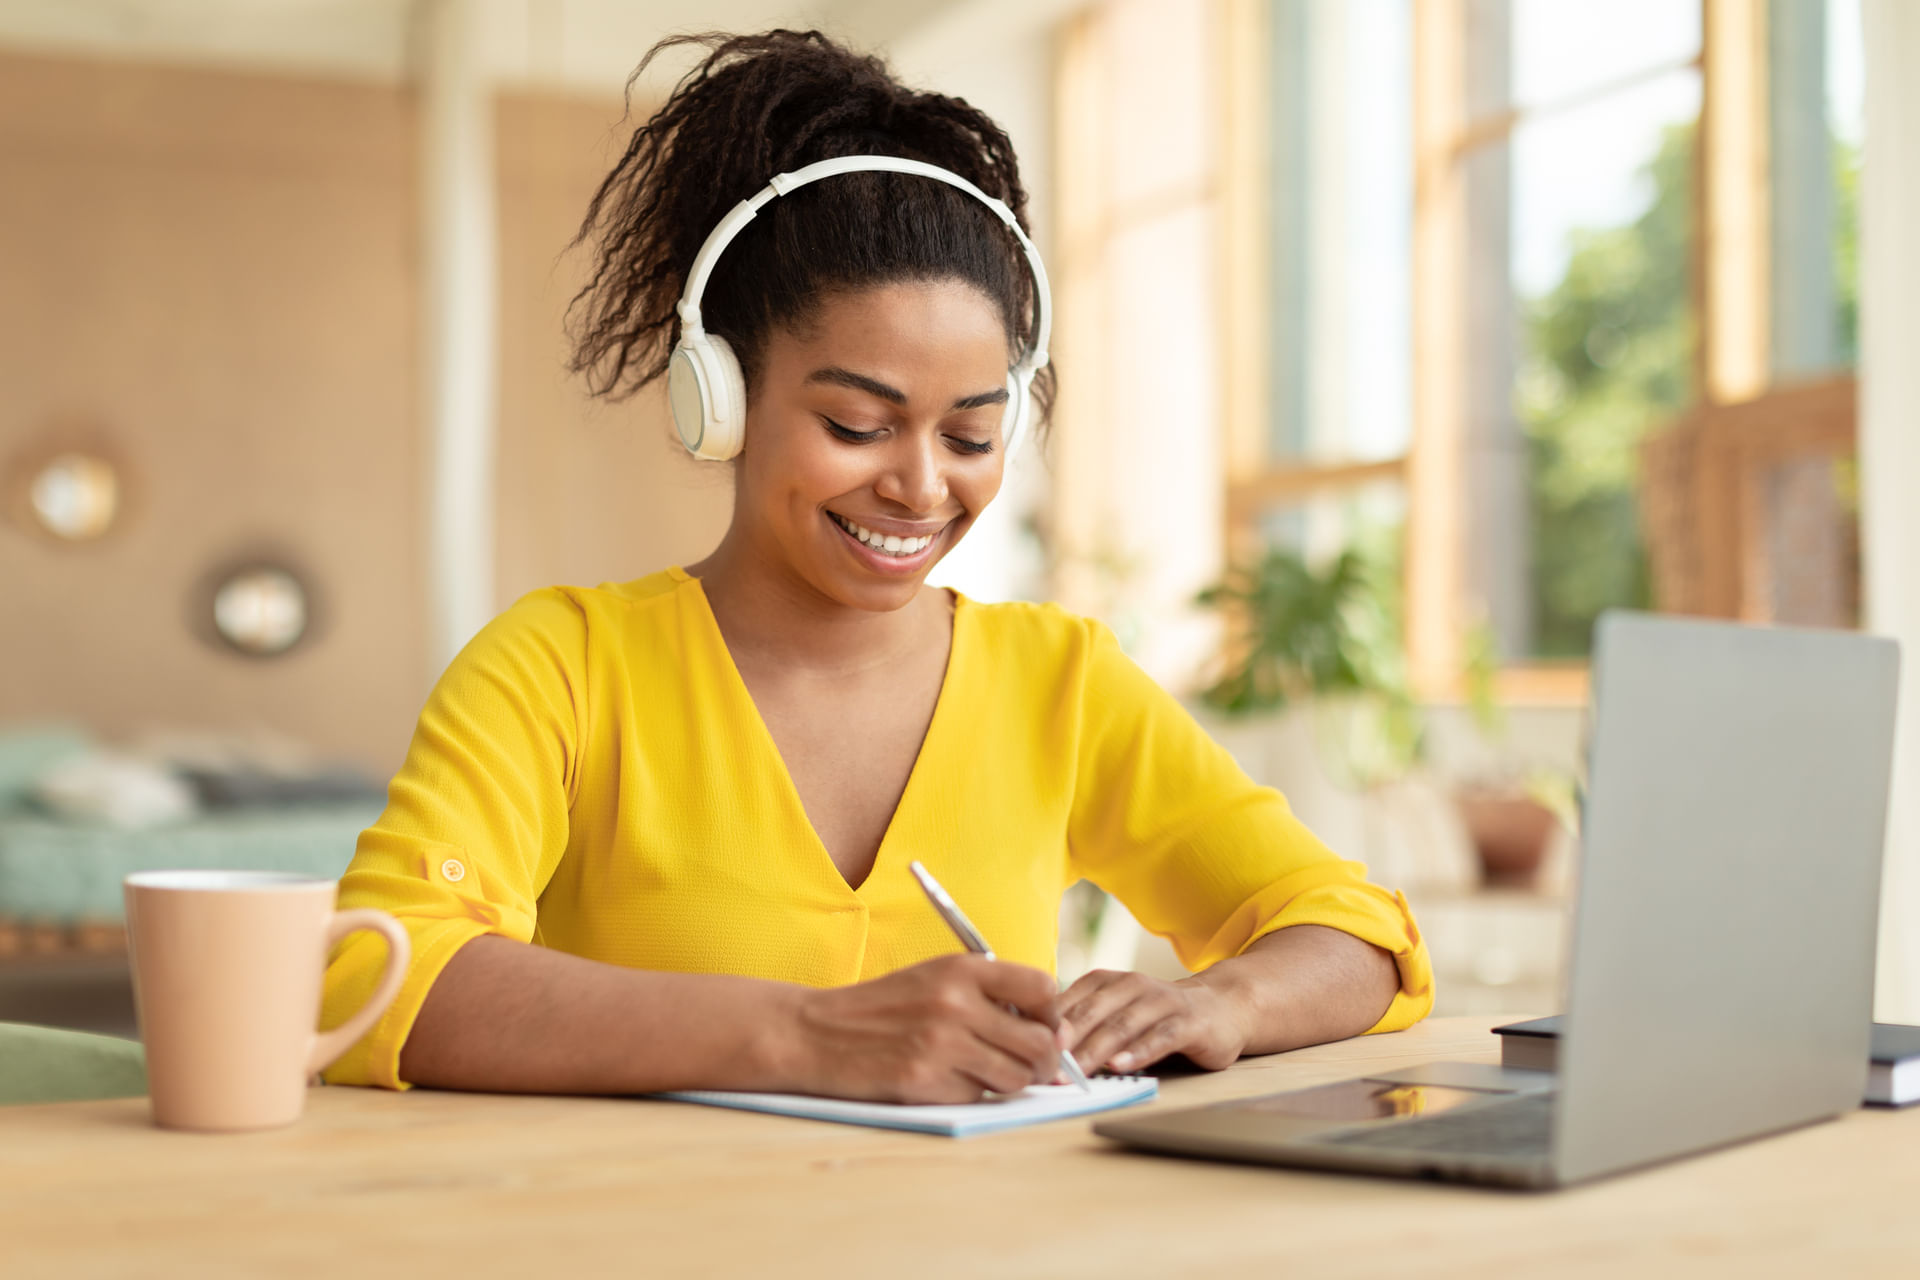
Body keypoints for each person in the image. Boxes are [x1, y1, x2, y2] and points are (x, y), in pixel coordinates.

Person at [321, 29, 1432, 1101]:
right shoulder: (562, 665)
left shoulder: (1061, 681)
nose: (920, 486)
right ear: (720, 396)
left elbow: (1357, 930)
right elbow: (379, 969)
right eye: (858, 424)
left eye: (969, 435)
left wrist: (1226, 1001)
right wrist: (805, 1034)